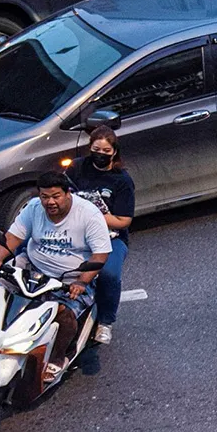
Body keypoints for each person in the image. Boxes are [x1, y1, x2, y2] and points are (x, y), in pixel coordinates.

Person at [0, 172, 113, 370]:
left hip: (71, 275)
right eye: (45, 197)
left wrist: (81, 282)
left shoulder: (89, 214)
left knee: (65, 314)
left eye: (56, 196)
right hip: (33, 264)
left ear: (68, 193)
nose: (50, 202)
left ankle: (59, 357)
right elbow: (13, 236)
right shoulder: (33, 207)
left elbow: (100, 255)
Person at [68, 123, 136, 345]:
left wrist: (93, 214)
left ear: (114, 152)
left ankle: (105, 322)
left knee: (109, 274)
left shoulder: (122, 181)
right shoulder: (77, 169)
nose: (101, 155)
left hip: (111, 238)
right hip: (76, 233)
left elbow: (123, 221)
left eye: (106, 151)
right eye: (97, 150)